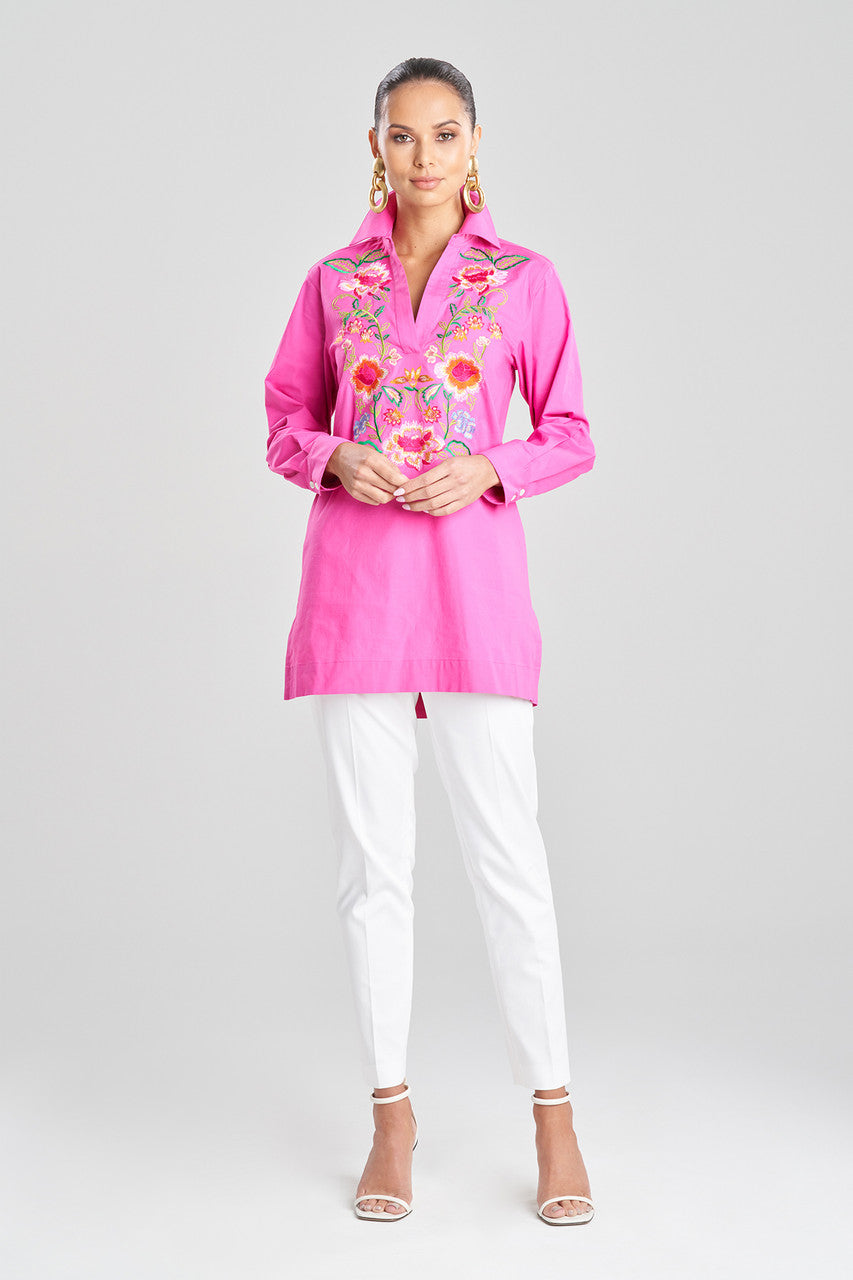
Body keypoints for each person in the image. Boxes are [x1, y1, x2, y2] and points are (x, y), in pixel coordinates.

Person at [264, 57, 596, 1225]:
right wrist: (332, 456)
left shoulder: (520, 279)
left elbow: (570, 429)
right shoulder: (333, 281)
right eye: (402, 136)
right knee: (374, 871)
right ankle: (390, 1115)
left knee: (510, 857)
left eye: (444, 134)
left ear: (474, 143)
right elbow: (285, 417)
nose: (423, 157)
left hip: (472, 593)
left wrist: (492, 466)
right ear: (376, 146)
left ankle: (553, 1115)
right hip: (355, 593)